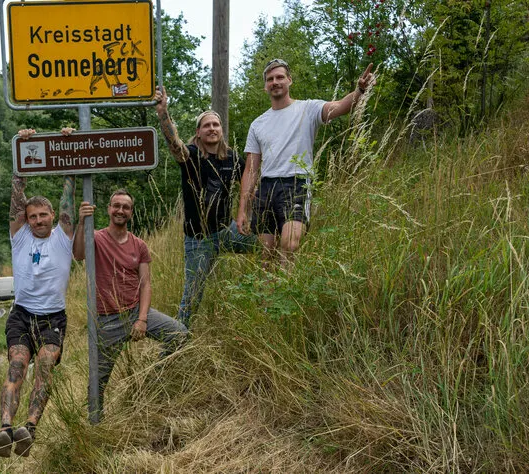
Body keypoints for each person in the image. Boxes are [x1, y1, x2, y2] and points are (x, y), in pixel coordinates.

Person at [0, 128, 76, 458]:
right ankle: (5, 428)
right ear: (25, 220)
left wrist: (68, 150)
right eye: (32, 216)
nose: (38, 220)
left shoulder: (62, 236)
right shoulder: (20, 236)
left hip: (53, 315)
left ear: (53, 216)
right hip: (22, 313)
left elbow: (68, 192)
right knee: (16, 366)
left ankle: (30, 426)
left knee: (44, 365)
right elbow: (17, 192)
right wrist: (22, 150)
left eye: (43, 215)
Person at [240, 59, 374, 267]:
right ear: (265, 85)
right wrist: (242, 209)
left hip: (296, 183)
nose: (275, 82)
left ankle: (287, 293)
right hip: (266, 188)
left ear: (289, 80)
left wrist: (359, 90)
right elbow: (250, 169)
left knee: (289, 244)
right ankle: (267, 299)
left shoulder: (308, 109)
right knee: (266, 254)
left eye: (280, 77)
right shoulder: (258, 124)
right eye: (270, 79)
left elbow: (340, 106)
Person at [153, 87, 259, 328]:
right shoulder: (190, 156)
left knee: (267, 242)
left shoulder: (231, 158)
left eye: (216, 125)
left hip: (226, 231)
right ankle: (174, 348)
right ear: (198, 133)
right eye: (207, 125)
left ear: (221, 130)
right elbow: (174, 145)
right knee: (191, 300)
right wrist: (163, 113)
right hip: (198, 239)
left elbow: (250, 181)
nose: (212, 128)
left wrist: (250, 214)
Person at [74, 190, 188, 413]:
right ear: (108, 209)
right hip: (107, 319)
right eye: (116, 205)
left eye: (125, 207)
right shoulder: (96, 238)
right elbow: (78, 255)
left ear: (131, 213)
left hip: (135, 311)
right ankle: (95, 421)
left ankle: (153, 383)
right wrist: (81, 223)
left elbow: (145, 284)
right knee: (98, 380)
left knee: (180, 335)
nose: (120, 210)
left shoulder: (139, 245)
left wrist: (143, 320)